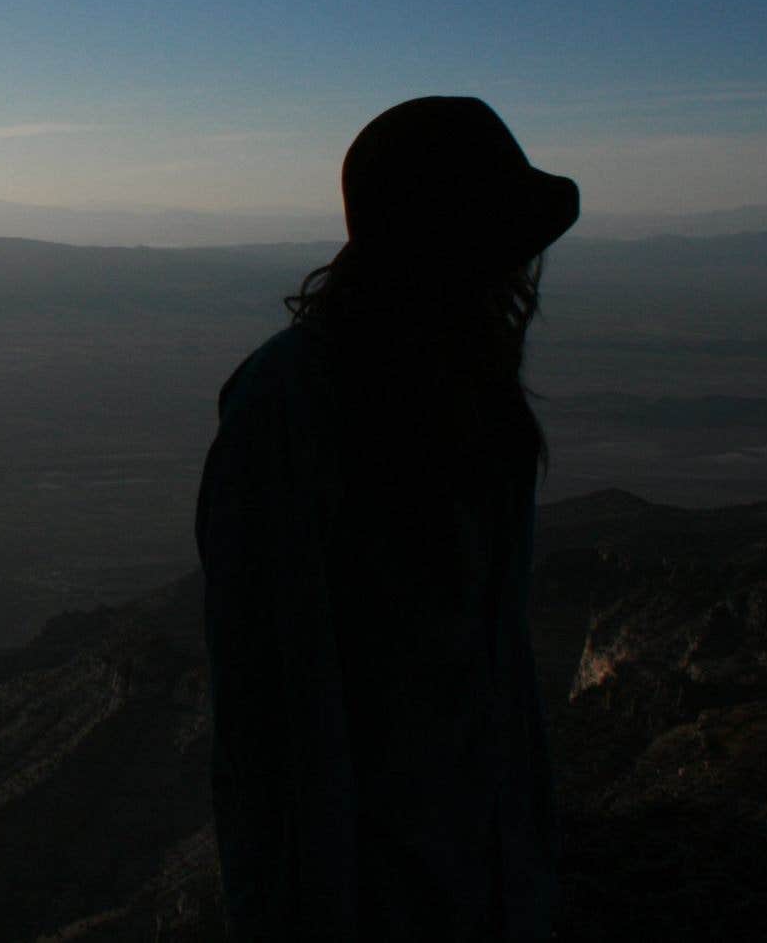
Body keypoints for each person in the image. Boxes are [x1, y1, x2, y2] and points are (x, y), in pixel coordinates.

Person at [195, 96, 579, 941]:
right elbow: (271, 708)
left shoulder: (467, 396)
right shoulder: (289, 408)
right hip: (373, 896)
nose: (511, 279)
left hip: (484, 879)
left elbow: (490, 671)